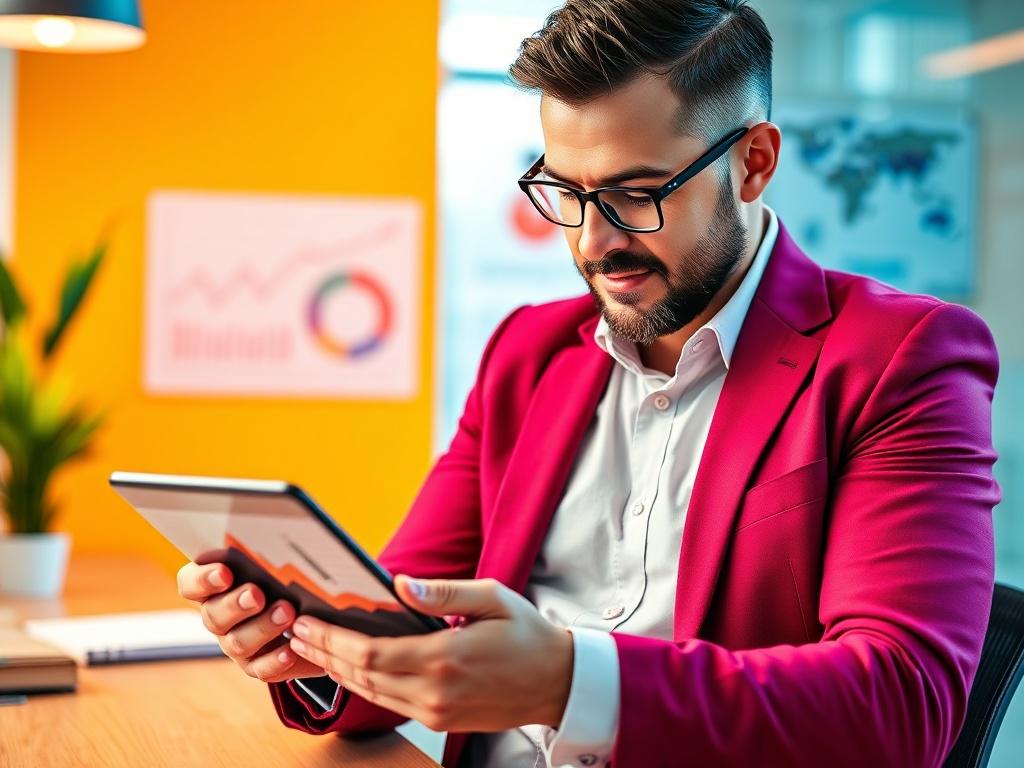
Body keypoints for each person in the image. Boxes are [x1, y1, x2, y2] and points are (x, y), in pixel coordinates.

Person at [176, 1, 1001, 766]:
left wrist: (570, 682)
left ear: (753, 164)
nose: (594, 241)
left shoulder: (901, 357)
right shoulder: (529, 353)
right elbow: (407, 623)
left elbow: (903, 705)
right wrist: (308, 645)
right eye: (565, 193)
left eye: (637, 195)